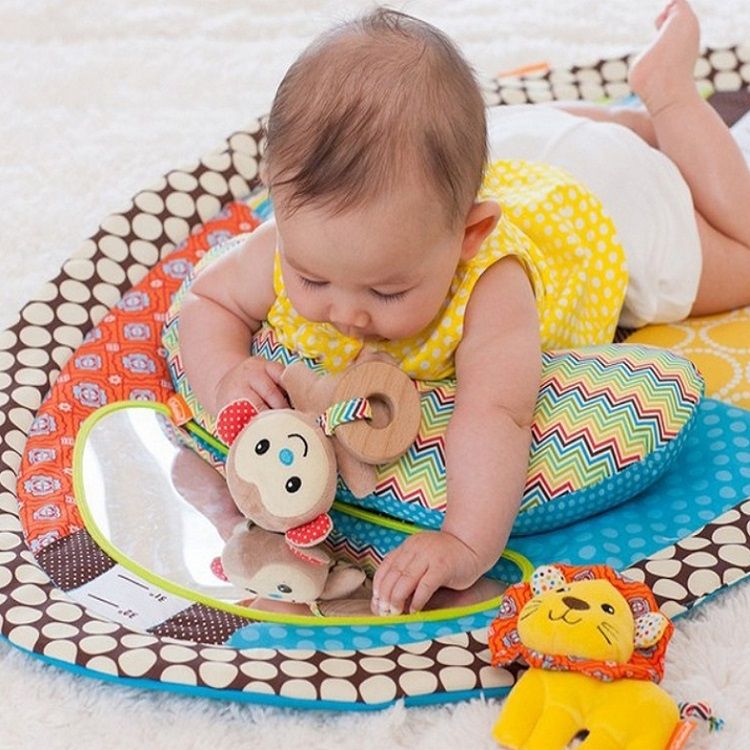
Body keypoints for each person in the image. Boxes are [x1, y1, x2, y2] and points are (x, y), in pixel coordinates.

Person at [178, 0, 750, 616]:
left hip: (604, 200)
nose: (347, 314)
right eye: (311, 278)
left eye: (387, 292)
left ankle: (667, 96)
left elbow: (498, 413)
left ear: (469, 237)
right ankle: (625, 123)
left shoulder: (490, 288)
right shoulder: (294, 243)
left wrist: (464, 542)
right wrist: (226, 375)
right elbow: (207, 298)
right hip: (524, 144)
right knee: (574, 138)